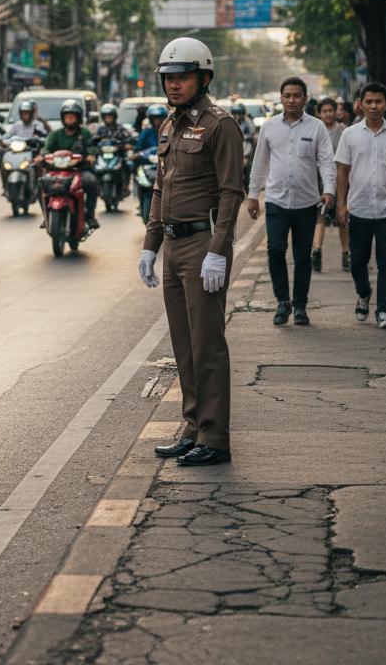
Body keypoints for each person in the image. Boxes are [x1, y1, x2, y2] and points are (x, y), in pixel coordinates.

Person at [138, 37, 244, 466]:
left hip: (203, 246)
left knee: (207, 345)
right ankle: (193, 426)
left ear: (203, 77)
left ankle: (215, 437)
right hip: (174, 246)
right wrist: (150, 245)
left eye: (182, 77)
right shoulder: (168, 126)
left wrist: (218, 250)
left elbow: (231, 191)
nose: (174, 85)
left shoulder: (221, 125)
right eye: (168, 78)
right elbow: (160, 189)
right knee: (183, 344)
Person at [247, 77, 336, 326]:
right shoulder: (269, 127)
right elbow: (259, 163)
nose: (291, 100)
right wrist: (253, 196)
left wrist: (329, 190)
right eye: (287, 95)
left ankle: (300, 305)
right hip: (275, 200)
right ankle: (282, 301)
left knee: (302, 256)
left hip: (307, 202)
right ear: (281, 97)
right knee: (275, 250)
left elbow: (327, 163)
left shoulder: (317, 127)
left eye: (297, 96)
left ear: (305, 99)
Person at [334, 82, 386, 328]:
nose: (373, 106)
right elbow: (342, 172)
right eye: (368, 101)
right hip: (358, 208)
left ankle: (383, 311)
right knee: (357, 261)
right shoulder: (350, 134)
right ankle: (364, 293)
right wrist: (341, 204)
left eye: (378, 101)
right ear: (360, 104)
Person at [36, 98, 100, 230]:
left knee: (92, 182)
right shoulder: (55, 134)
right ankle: (46, 216)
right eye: (67, 117)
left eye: (72, 117)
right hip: (57, 171)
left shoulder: (85, 134)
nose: (70, 120)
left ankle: (90, 215)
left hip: (79, 170)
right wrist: (43, 156)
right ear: (63, 118)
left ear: (78, 118)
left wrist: (90, 155)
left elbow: (92, 147)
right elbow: (46, 149)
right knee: (41, 184)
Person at [311, 97, 350, 272]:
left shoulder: (344, 131)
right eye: (324, 111)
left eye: (330, 111)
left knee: (342, 217)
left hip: (341, 181)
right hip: (319, 181)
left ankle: (346, 254)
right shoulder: (315, 131)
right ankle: (317, 251)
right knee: (320, 216)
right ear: (319, 113)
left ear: (336, 112)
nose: (327, 114)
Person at [95, 103, 135, 200]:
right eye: (106, 117)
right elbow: (94, 140)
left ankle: (125, 186)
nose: (108, 119)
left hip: (118, 153)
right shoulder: (101, 129)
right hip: (104, 154)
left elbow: (129, 138)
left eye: (110, 116)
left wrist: (127, 144)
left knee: (127, 164)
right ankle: (97, 186)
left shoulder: (120, 129)